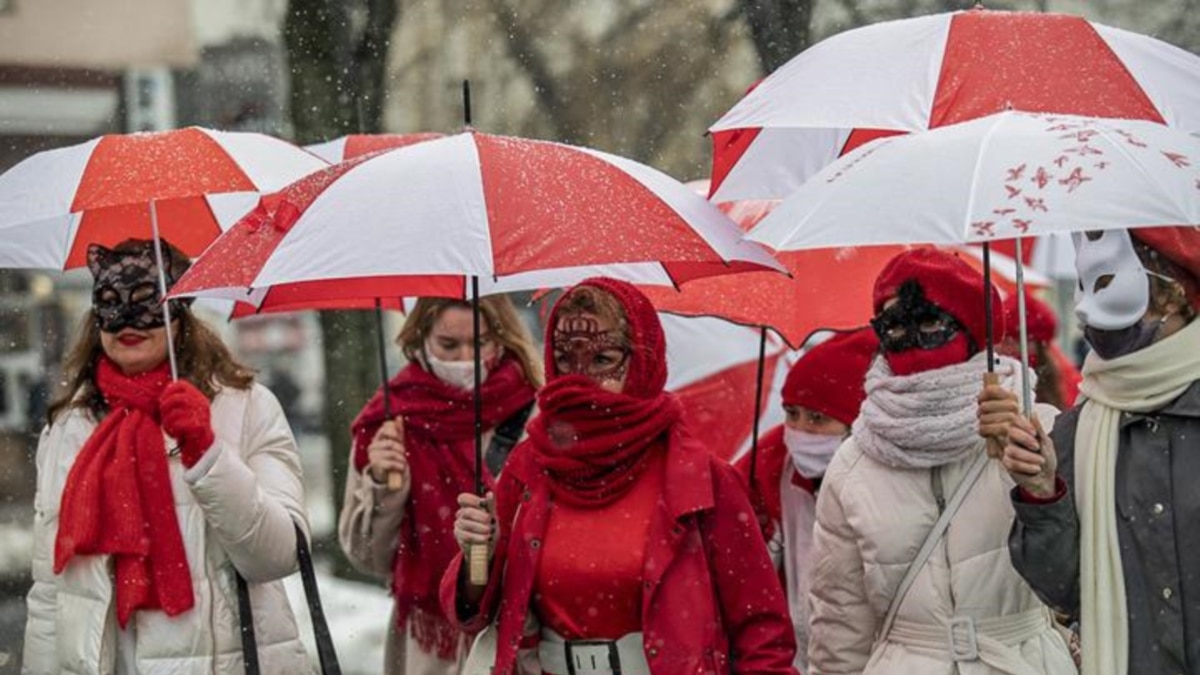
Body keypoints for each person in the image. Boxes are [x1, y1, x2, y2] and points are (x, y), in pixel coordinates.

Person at [443, 277, 798, 675]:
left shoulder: (702, 479)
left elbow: (761, 631)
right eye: (564, 358)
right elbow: (475, 613)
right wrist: (480, 553)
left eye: (601, 360)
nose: (580, 377)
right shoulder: (529, 467)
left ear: (643, 361)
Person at [23, 239, 311, 674]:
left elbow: (277, 556)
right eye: (109, 302)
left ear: (181, 311)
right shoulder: (69, 426)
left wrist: (208, 454)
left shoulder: (247, 407)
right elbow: (50, 591)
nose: (126, 320)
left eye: (147, 301)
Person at [807, 248, 1075, 674]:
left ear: (971, 330)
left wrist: (1041, 488)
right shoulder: (855, 461)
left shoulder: (1040, 430)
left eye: (931, 322)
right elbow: (840, 619)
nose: (912, 338)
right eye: (895, 326)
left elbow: (1079, 579)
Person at [984, 227, 1200, 675]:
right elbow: (1064, 589)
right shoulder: (1079, 427)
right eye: (1082, 283)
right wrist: (1042, 492)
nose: (1084, 307)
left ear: (1175, 294)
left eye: (1104, 283)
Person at [338, 295, 542, 675]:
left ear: (501, 339)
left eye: (478, 343)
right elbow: (366, 555)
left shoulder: (536, 412)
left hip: (515, 631)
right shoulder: (388, 422)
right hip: (429, 651)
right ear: (420, 341)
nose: (465, 357)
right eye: (448, 345)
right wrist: (383, 484)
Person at [734, 327, 877, 672]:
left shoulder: (882, 485)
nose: (800, 430)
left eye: (817, 418)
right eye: (791, 413)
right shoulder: (768, 469)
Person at [1000, 291, 1081, 409]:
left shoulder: (1065, 379)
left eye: (1014, 340)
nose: (1006, 347)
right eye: (1004, 340)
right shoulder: (1057, 369)